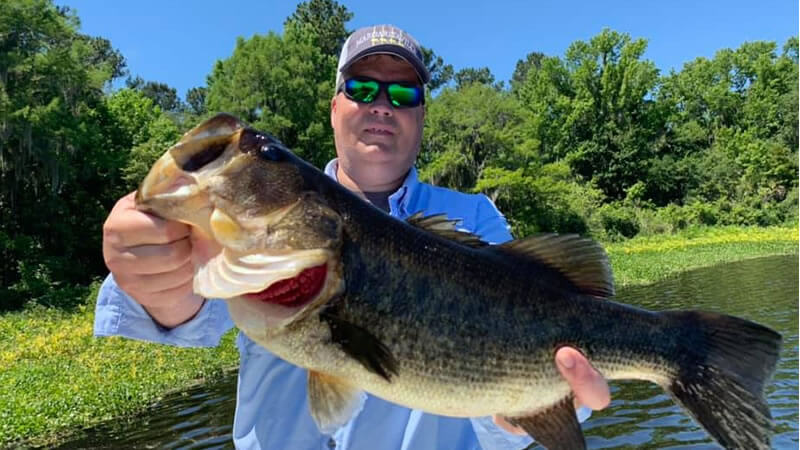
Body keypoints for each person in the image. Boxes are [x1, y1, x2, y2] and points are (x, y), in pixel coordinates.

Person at [96, 24, 610, 449]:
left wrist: (524, 417)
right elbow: (189, 314)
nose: (382, 105)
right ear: (334, 107)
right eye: (362, 88)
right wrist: (148, 270)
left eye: (403, 93)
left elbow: (504, 426)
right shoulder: (255, 233)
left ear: (422, 117)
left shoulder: (474, 220)